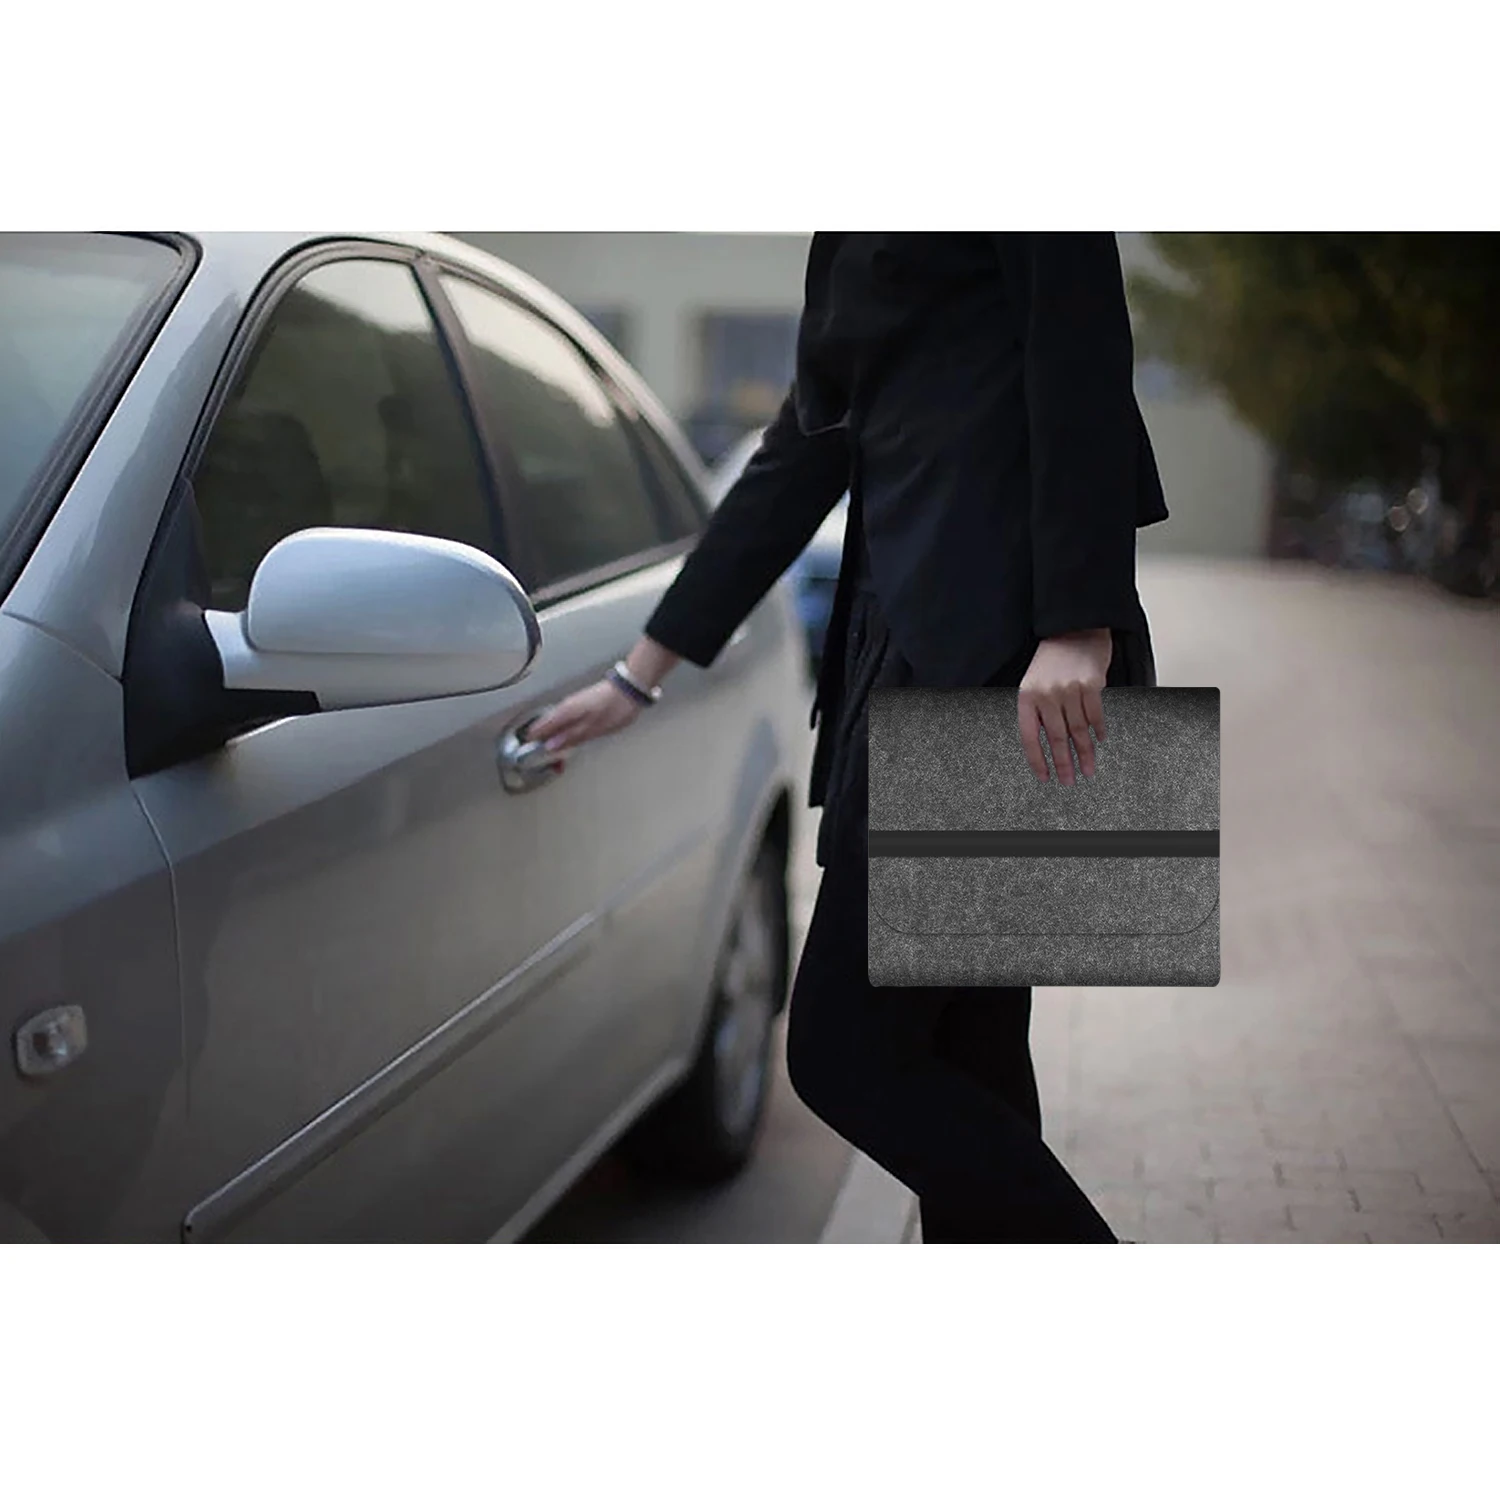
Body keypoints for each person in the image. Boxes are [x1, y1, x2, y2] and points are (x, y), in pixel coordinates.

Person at [530, 233, 1169, 1243]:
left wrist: (1077, 623)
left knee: (843, 1052)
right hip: (902, 645)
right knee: (972, 1057)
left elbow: (1080, 351)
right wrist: (640, 672)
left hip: (1005, 654)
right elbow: (806, 443)